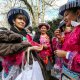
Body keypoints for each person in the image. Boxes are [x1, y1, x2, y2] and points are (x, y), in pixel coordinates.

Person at [7, 8, 48, 80]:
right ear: (13, 21)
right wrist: (29, 48)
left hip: (29, 63)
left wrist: (40, 46)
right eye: (20, 19)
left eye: (24, 20)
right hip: (17, 67)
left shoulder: (26, 35)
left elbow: (31, 42)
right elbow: (8, 50)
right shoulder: (9, 34)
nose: (23, 22)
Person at [54, 1, 80, 80]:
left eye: (67, 14)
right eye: (63, 16)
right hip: (66, 72)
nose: (64, 18)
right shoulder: (71, 31)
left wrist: (66, 54)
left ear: (78, 13)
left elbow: (66, 53)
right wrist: (59, 39)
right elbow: (64, 48)